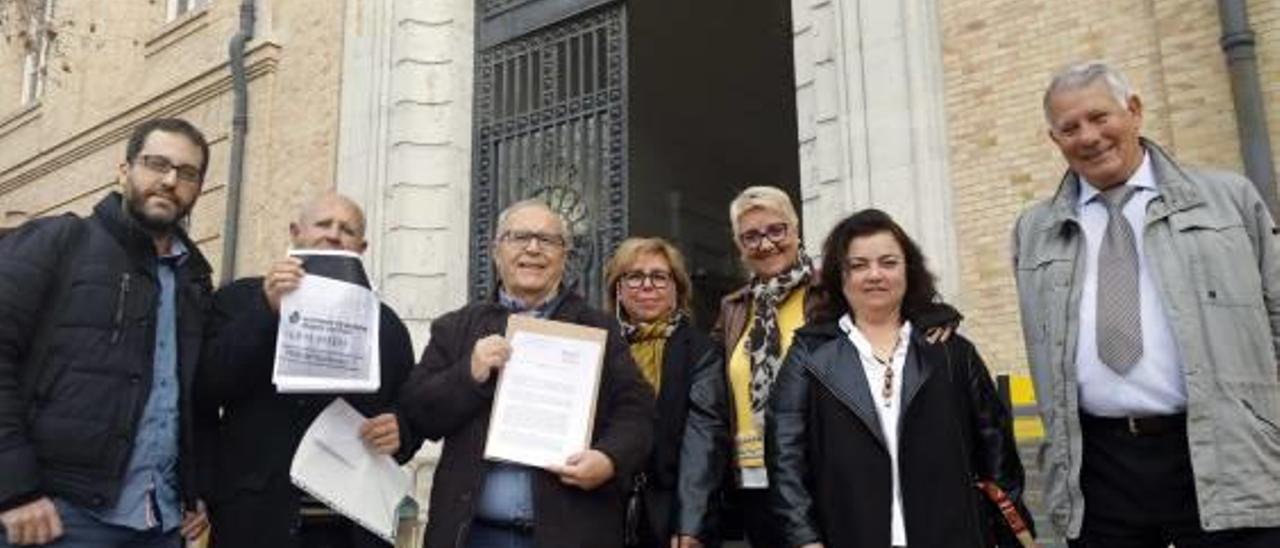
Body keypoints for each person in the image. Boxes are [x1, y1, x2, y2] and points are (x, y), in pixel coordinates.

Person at [1013, 60, 1280, 546]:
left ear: (1133, 111)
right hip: (1098, 469)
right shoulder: (1034, 231)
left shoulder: (1228, 200)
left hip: (1224, 453)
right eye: (1069, 128)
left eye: (1099, 117)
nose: (1088, 136)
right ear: (1055, 141)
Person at [679, 186, 961, 548]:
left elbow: (885, 310)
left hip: (825, 475)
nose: (765, 243)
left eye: (776, 230)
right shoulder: (733, 309)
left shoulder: (829, 291)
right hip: (753, 483)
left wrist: (934, 315)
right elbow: (712, 406)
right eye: (750, 236)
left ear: (797, 231)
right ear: (739, 245)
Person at [0, 118, 214, 546]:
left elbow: (190, 398)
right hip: (57, 519)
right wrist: (14, 488)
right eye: (157, 164)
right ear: (124, 170)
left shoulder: (194, 280)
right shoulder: (60, 241)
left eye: (187, 173)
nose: (170, 180)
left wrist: (196, 491)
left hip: (162, 521)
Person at [767, 208, 1031, 548]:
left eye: (888, 262)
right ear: (839, 275)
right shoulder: (809, 354)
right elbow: (785, 456)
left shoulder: (952, 351)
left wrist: (1008, 535)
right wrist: (804, 538)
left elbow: (998, 453)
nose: (874, 275)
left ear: (909, 270)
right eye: (859, 265)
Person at [399, 199, 655, 548]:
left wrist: (608, 459)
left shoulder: (598, 330)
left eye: (547, 240)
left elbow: (637, 413)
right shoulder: (456, 328)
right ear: (496, 251)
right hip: (472, 534)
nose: (533, 249)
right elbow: (419, 411)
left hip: (570, 535)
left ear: (564, 256)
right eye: (519, 237)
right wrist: (468, 373)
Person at [195, 192, 420, 548]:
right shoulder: (240, 299)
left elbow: (410, 408)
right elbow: (208, 386)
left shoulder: (387, 325)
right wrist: (266, 310)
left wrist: (401, 429)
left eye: (346, 229)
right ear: (295, 232)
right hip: (255, 524)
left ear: (361, 247)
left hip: (351, 528)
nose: (333, 235)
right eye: (323, 224)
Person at [602, 238, 724, 548]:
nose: (647, 286)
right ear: (618, 289)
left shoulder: (701, 352)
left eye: (659, 277)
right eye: (634, 276)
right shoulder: (596, 345)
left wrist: (691, 523)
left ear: (676, 290)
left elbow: (703, 442)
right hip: (599, 508)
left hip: (667, 515)